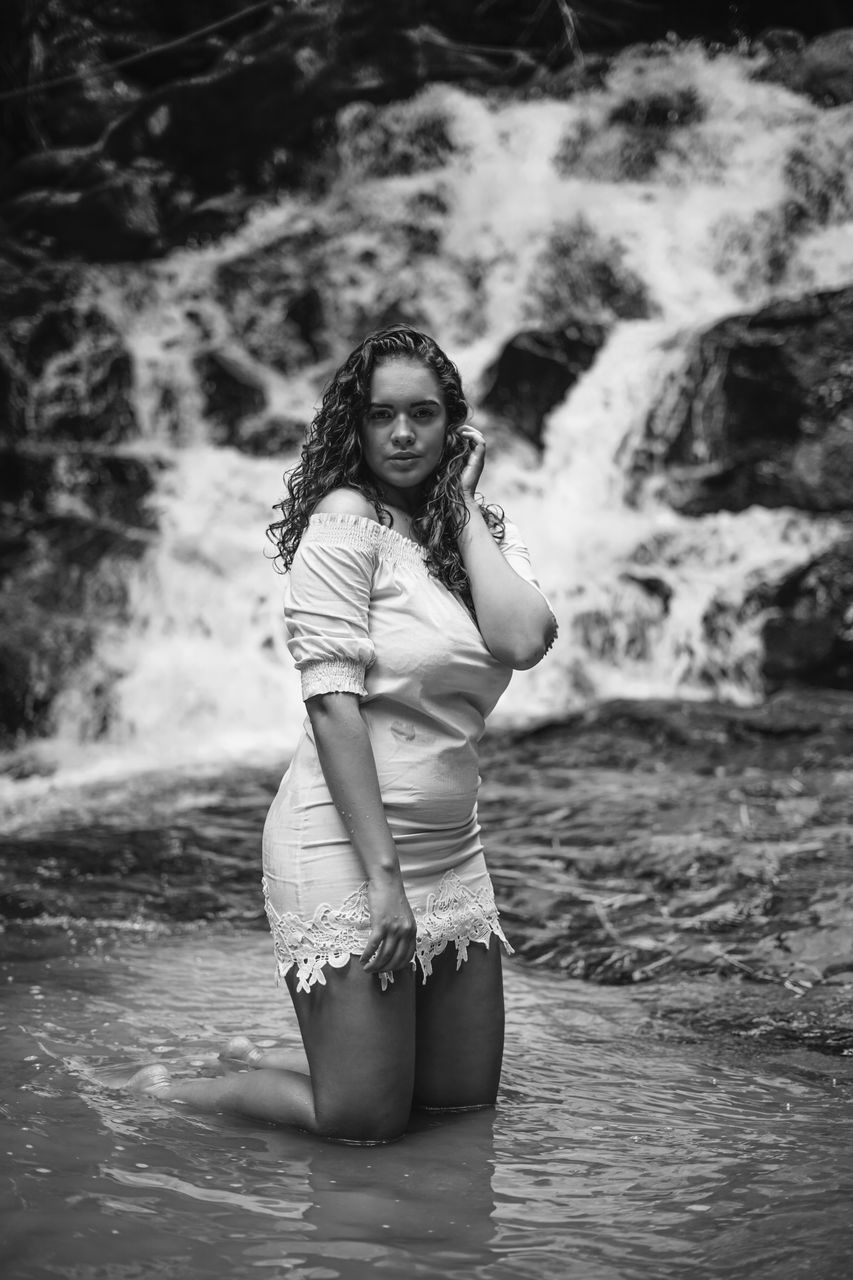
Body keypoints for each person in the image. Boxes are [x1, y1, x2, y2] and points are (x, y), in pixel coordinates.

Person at [131, 326, 556, 1141]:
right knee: (361, 1123)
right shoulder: (343, 520)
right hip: (346, 849)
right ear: (353, 427)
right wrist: (383, 881)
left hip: (451, 851)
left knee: (459, 1110)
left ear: (454, 426)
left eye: (423, 415)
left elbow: (523, 641)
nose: (402, 434)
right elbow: (331, 703)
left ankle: (285, 1061)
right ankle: (168, 1091)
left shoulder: (479, 533)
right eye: (381, 415)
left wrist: (461, 509)